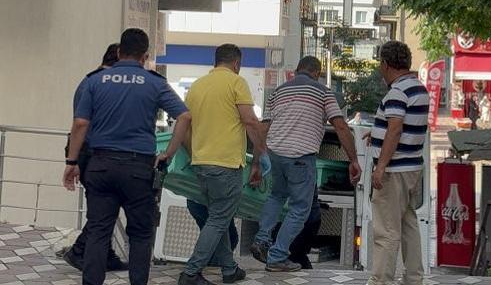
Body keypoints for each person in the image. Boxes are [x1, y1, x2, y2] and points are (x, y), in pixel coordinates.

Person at [63, 28, 192, 285]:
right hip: (138, 169)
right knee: (140, 235)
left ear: (119, 52)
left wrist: (72, 162)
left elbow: (80, 124)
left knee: (99, 232)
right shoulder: (155, 83)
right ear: (145, 56)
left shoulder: (95, 81)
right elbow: (185, 116)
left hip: (100, 166)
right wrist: (167, 153)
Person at [168, 44, 267, 285]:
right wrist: (261, 155)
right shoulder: (236, 83)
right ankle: (191, 273)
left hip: (201, 163)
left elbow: (186, 125)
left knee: (218, 216)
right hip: (226, 163)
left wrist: (194, 154)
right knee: (219, 219)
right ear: (236, 63)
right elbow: (250, 122)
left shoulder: (197, 87)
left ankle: (229, 269)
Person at [250, 56, 361, 272]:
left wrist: (256, 163)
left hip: (276, 154)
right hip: (301, 157)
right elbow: (340, 127)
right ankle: (277, 256)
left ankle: (262, 239)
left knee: (276, 196)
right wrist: (353, 159)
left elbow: (262, 129)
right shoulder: (323, 92)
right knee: (300, 208)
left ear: (296, 70)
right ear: (316, 73)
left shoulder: (279, 91)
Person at [61, 43, 128, 272]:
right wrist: (75, 161)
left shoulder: (90, 82)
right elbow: (82, 124)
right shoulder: (97, 83)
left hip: (88, 153)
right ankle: (79, 250)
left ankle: (104, 253)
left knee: (104, 206)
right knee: (104, 209)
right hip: (92, 153)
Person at [367, 41, 430, 285]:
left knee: (386, 230)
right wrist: (376, 133)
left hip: (394, 170)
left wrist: (380, 167)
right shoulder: (419, 88)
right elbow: (403, 128)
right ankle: (414, 278)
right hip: (413, 167)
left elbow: (394, 130)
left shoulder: (396, 91)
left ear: (385, 64)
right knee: (408, 225)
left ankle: (381, 280)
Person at [185, 199, 240, 265]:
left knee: (213, 235)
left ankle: (199, 266)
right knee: (228, 237)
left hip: (194, 201)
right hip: (213, 204)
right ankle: (194, 268)